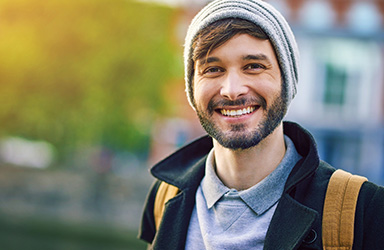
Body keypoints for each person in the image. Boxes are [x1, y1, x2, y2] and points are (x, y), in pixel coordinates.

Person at [138, 0, 384, 249]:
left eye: (253, 66)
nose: (232, 90)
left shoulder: (365, 210)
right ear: (192, 87)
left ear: (286, 81)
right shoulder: (165, 197)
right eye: (213, 69)